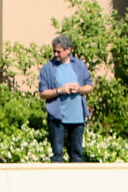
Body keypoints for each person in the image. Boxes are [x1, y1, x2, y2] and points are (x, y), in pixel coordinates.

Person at [38, 34, 93, 163]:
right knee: (57, 154)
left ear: (68, 50)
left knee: (77, 153)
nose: (56, 54)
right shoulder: (48, 68)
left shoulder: (79, 65)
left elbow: (89, 87)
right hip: (57, 118)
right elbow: (42, 93)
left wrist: (79, 89)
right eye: (54, 51)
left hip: (77, 117)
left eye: (59, 51)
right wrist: (59, 91)